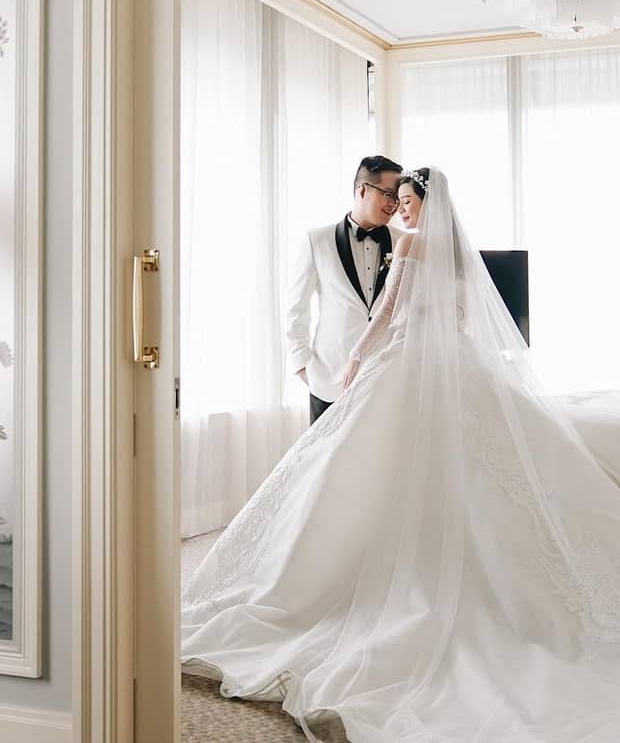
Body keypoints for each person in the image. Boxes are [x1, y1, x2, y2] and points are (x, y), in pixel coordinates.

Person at [182, 167, 620, 743]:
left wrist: (355, 362)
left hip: (402, 368)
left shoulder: (409, 243)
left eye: (407, 201)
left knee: (359, 474)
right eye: (396, 200)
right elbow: (460, 320)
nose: (401, 211)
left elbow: (387, 312)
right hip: (454, 366)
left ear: (422, 204)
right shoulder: (459, 253)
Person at [286, 155, 405, 424]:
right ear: (362, 189)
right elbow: (296, 307)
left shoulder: (403, 243)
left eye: (398, 197)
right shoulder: (316, 240)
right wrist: (302, 366)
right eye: (388, 194)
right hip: (328, 379)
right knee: (322, 463)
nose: (394, 204)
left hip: (384, 380)